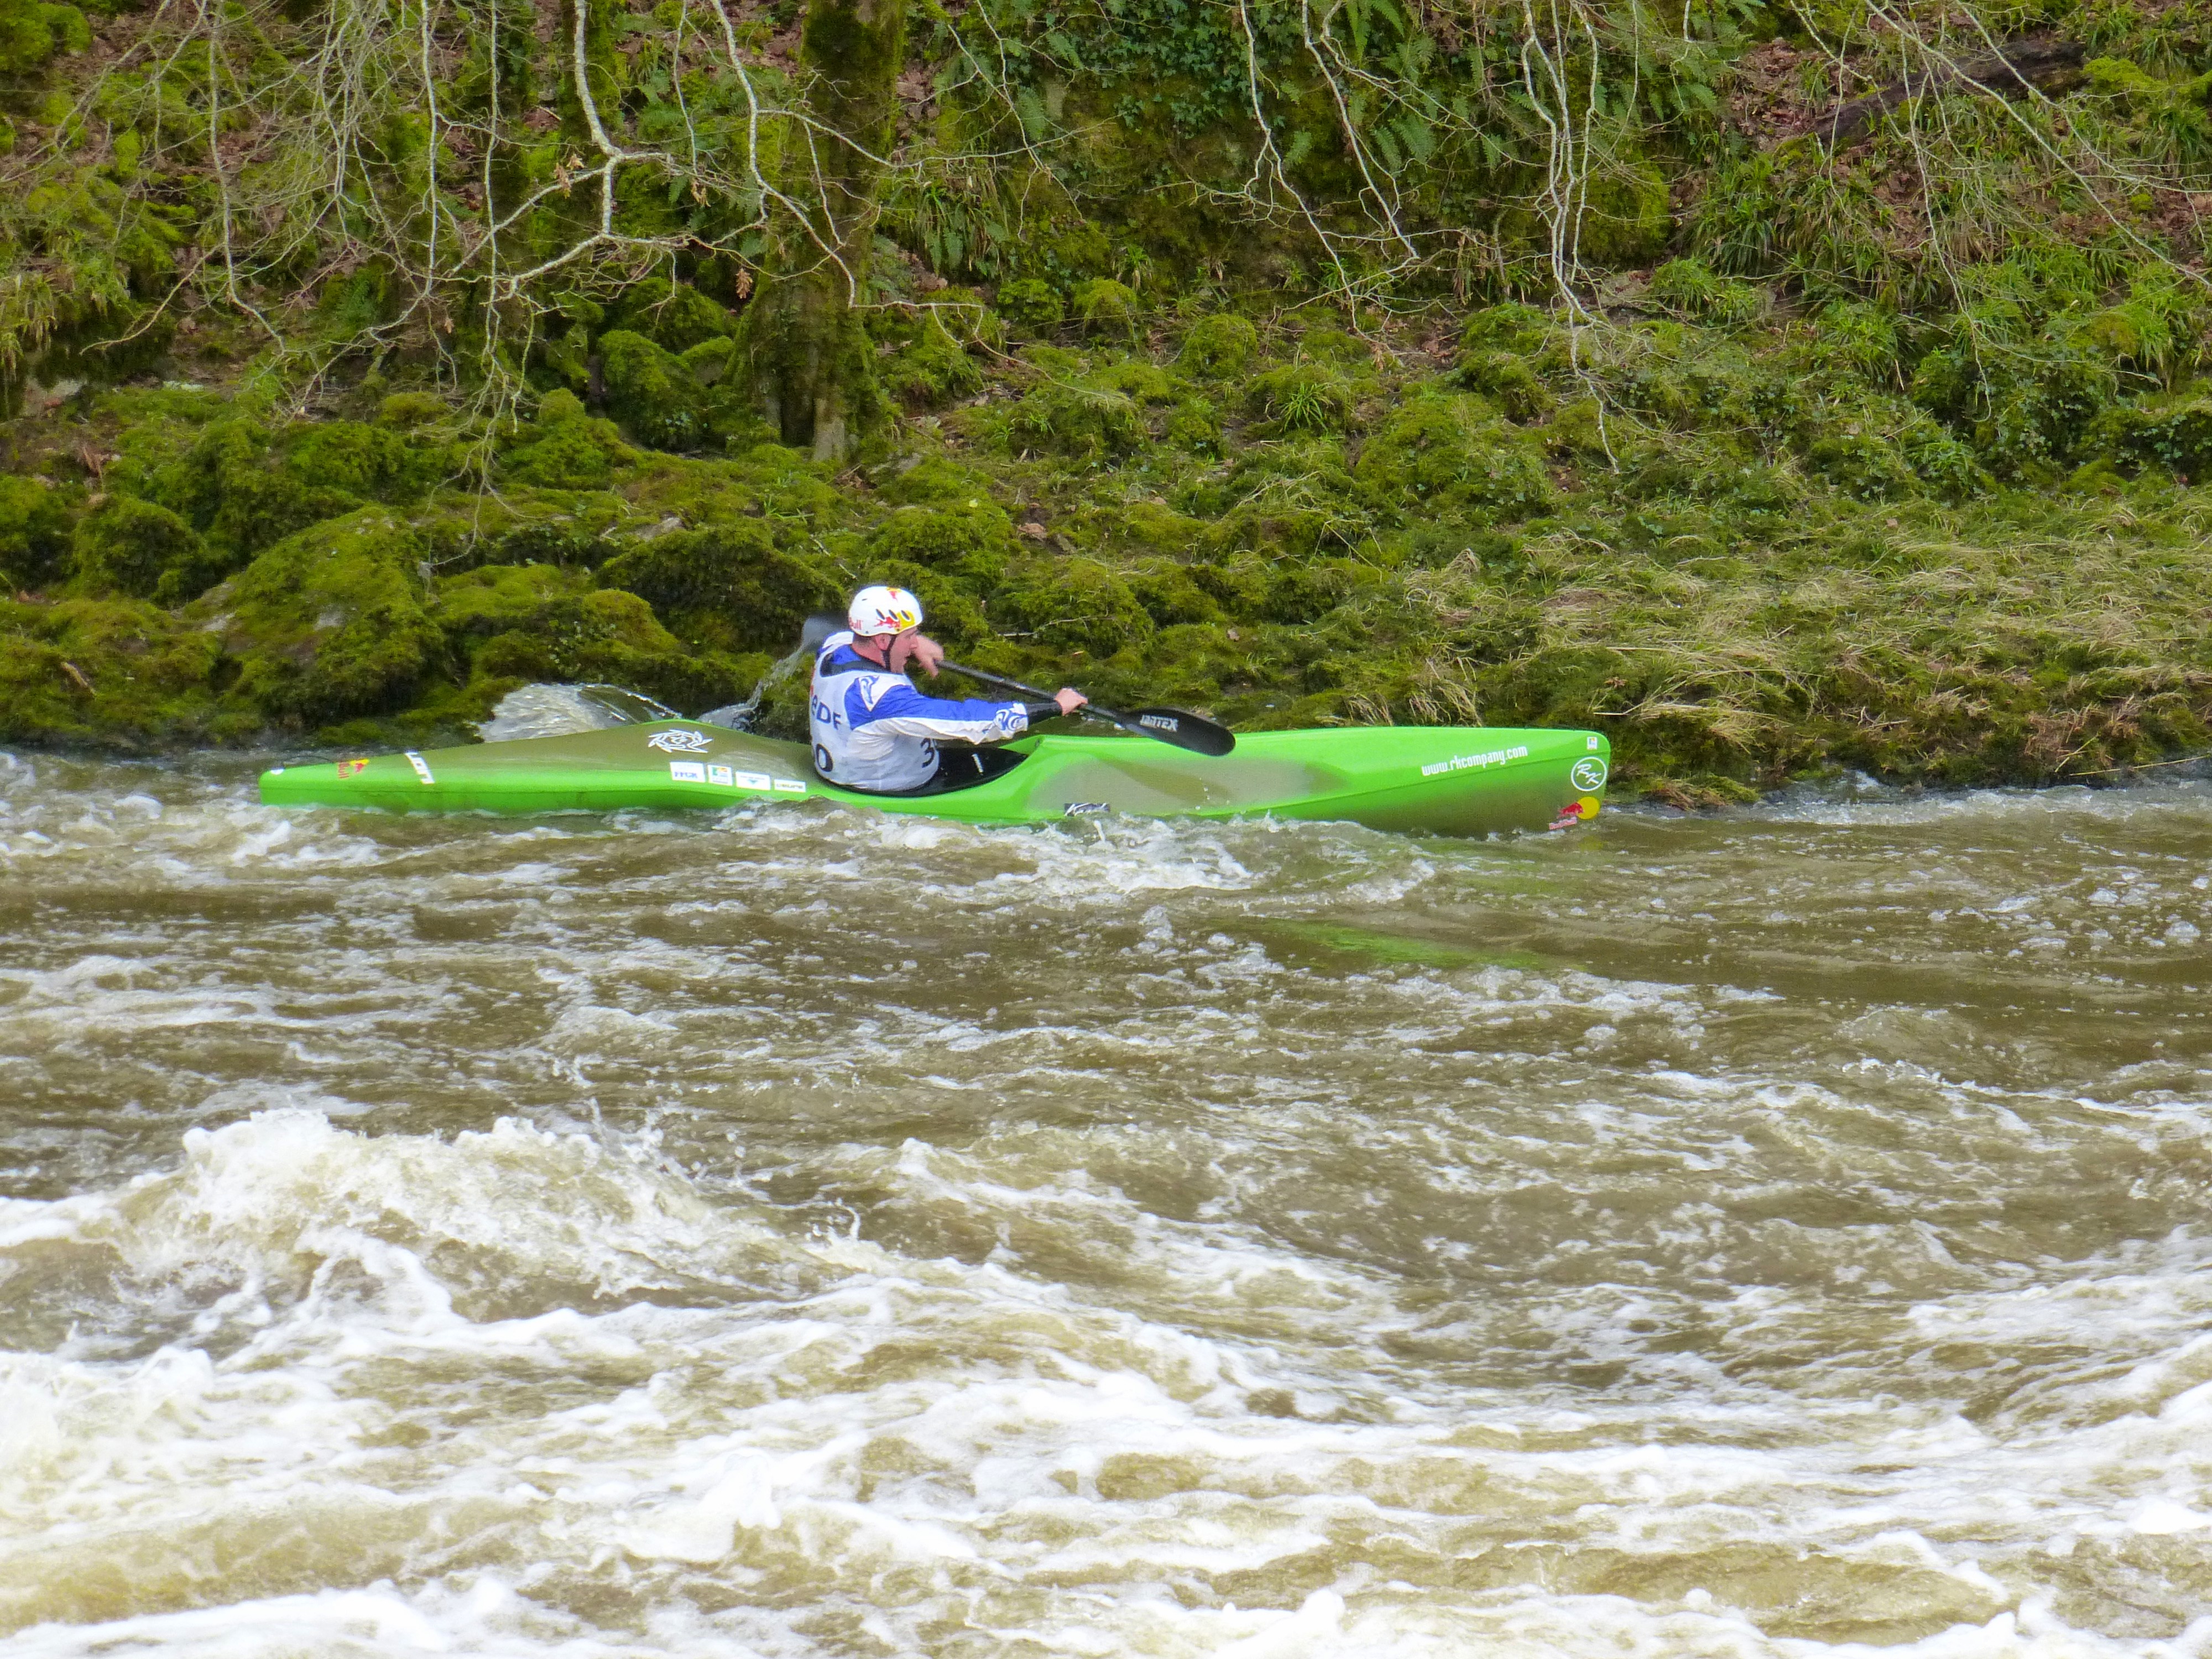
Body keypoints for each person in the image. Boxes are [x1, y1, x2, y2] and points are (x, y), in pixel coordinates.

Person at [808, 585, 1087, 793]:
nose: (916, 644)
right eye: (911, 637)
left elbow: (832, 628)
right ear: (882, 641)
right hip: (892, 787)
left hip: (853, 766)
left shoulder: (836, 647)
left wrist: (915, 644)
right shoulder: (881, 699)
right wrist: (1055, 707)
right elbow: (966, 720)